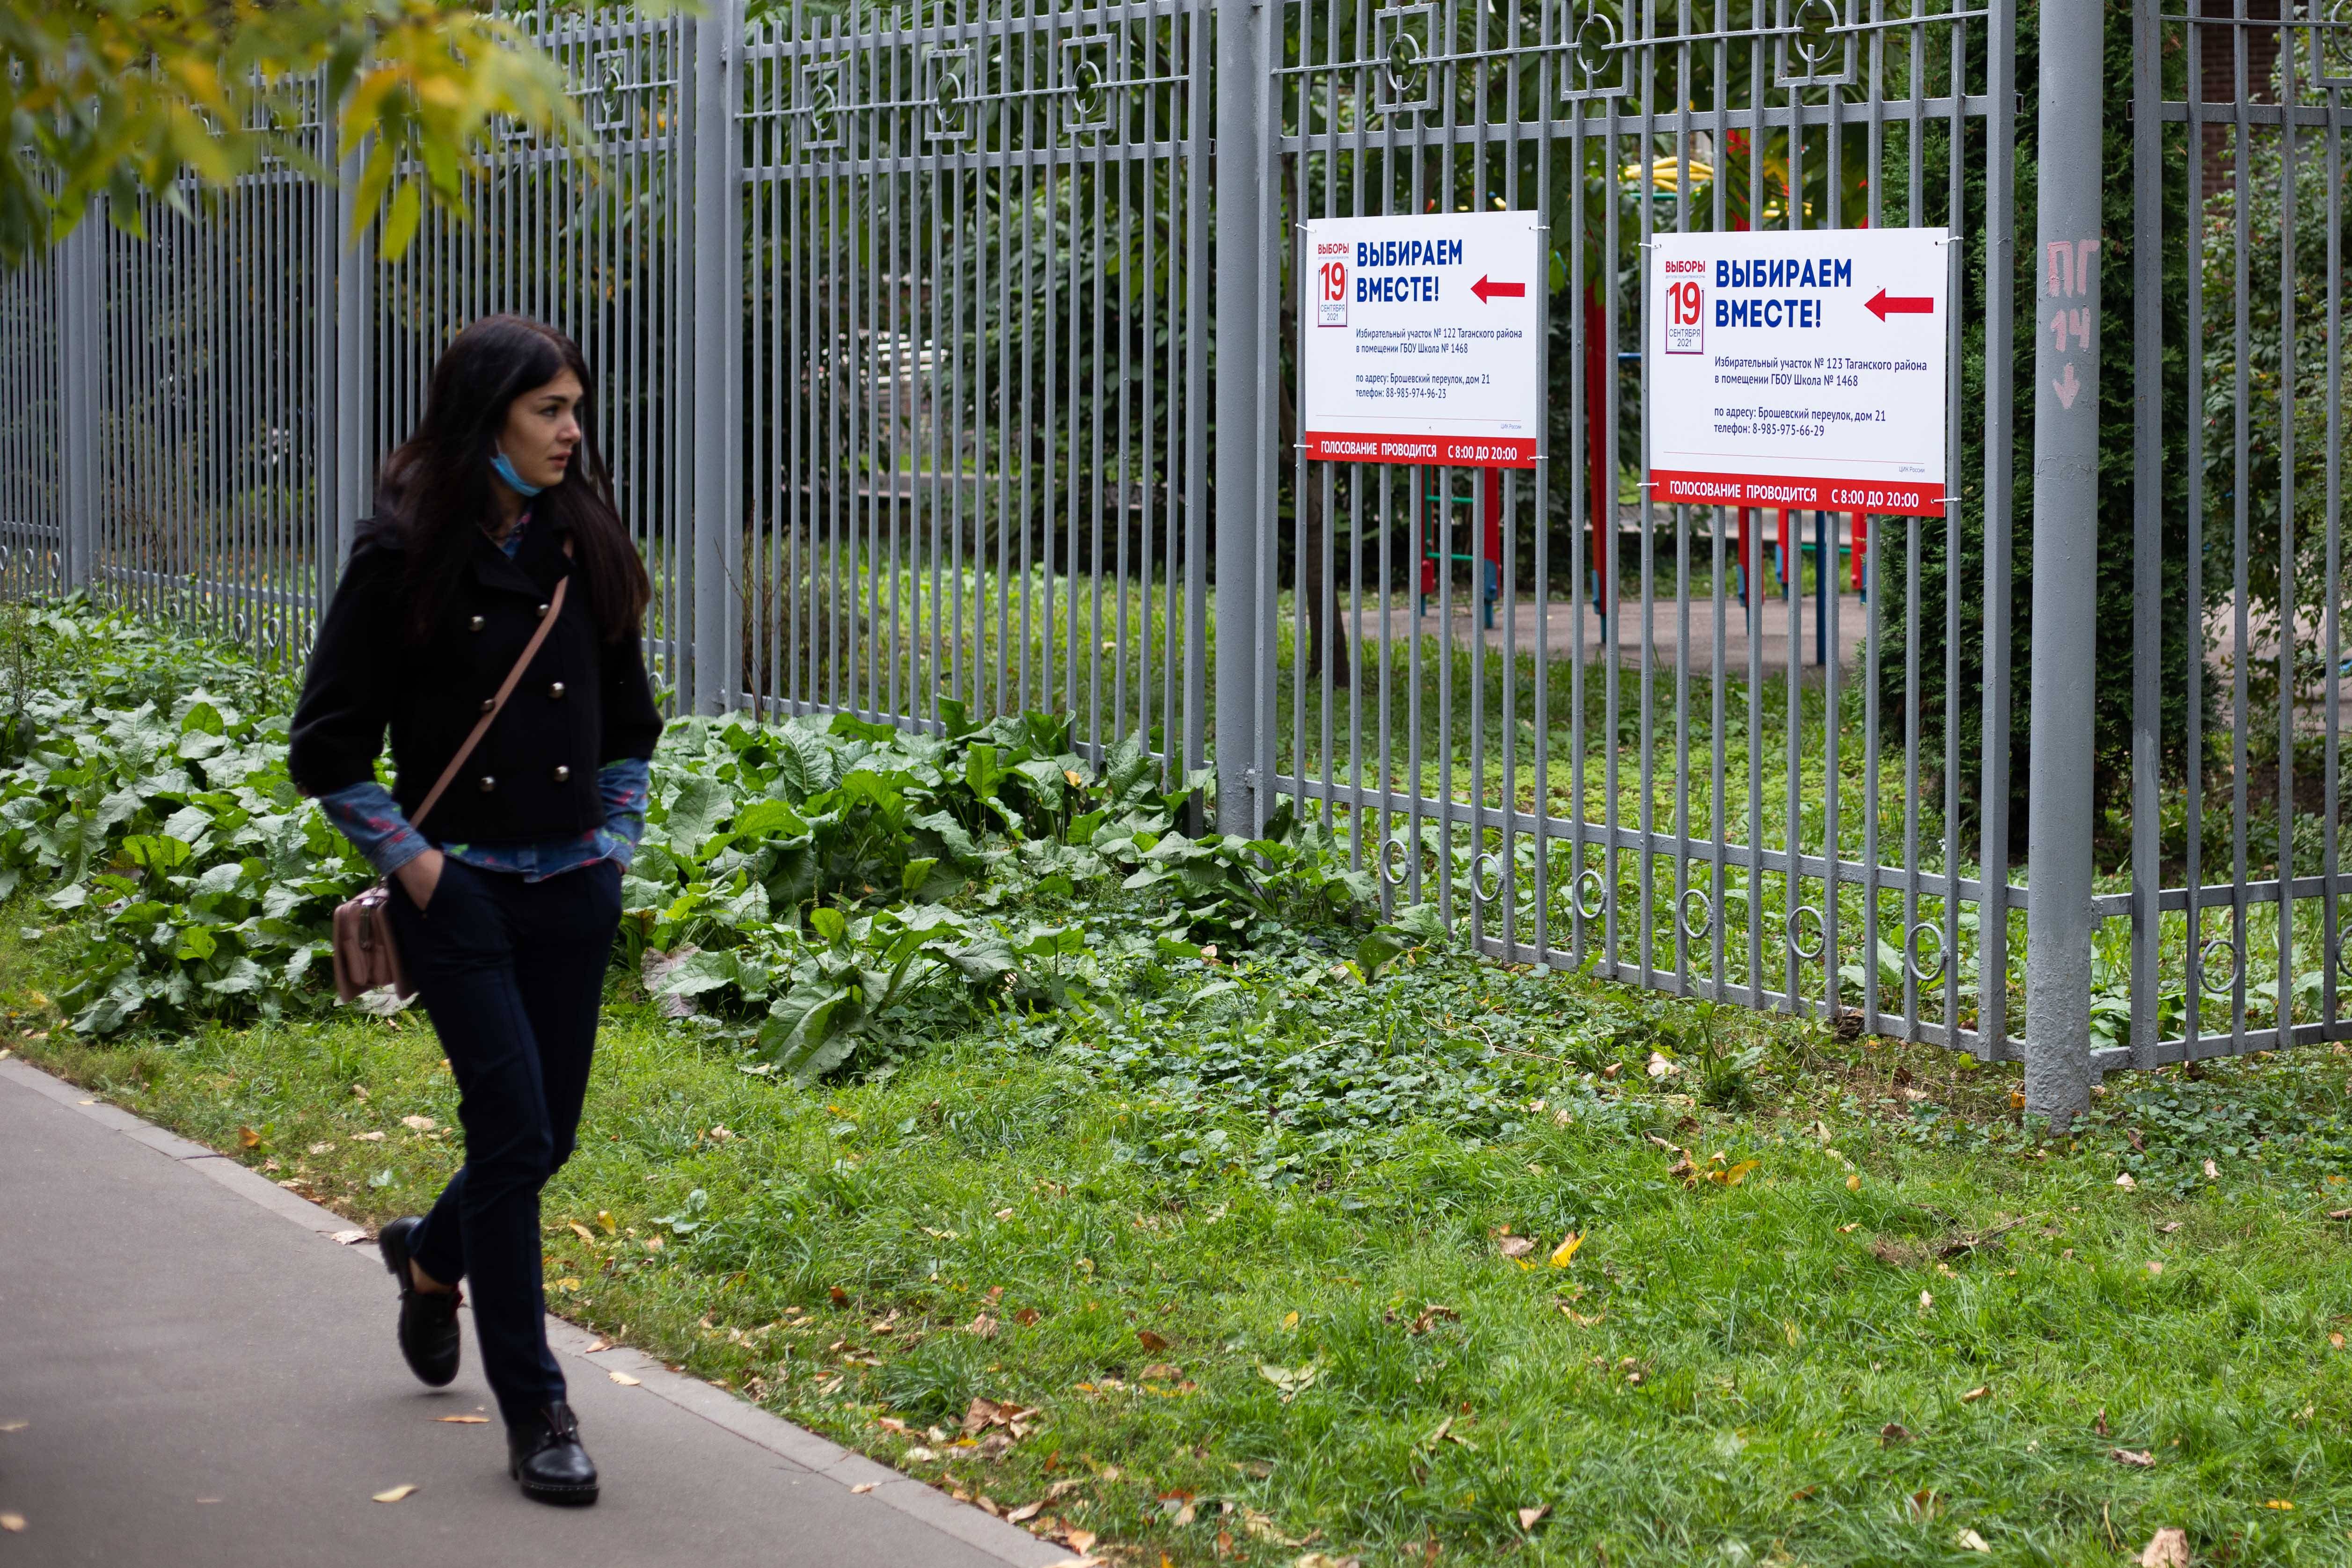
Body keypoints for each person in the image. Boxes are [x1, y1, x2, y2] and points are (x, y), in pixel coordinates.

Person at [289, 314, 663, 1506]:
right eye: (549, 408)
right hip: (465, 899)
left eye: (575, 408)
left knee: (543, 1137)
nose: (572, 430)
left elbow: (631, 724)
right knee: (511, 1131)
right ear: (487, 412)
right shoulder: (402, 549)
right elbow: (328, 748)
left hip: (574, 888)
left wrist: (614, 842)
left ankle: (430, 1253)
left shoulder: (582, 538)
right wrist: (424, 870)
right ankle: (537, 1404)